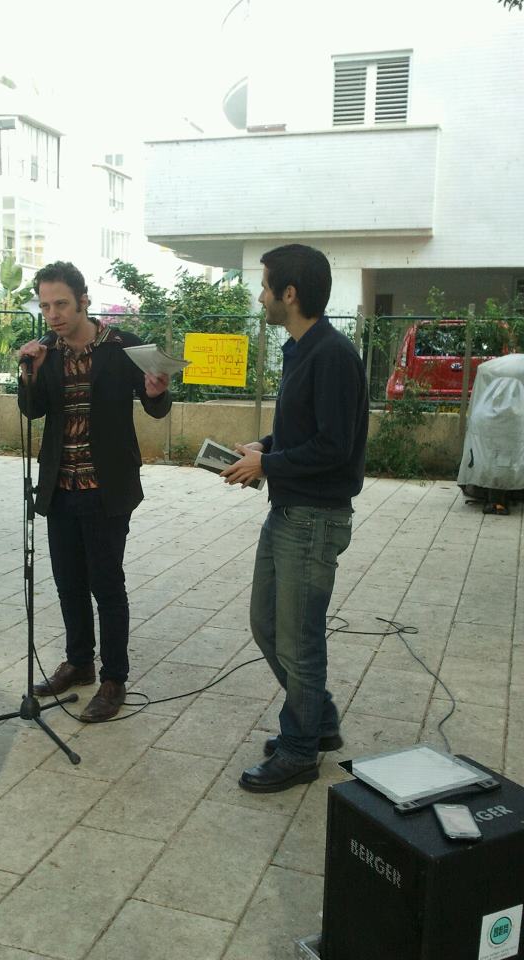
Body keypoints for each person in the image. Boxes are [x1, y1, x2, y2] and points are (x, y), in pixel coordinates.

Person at [222, 244, 368, 792]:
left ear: (290, 293)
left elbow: (334, 445)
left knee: (299, 642)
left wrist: (269, 464)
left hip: (314, 519)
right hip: (288, 509)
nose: (260, 296)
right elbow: (303, 429)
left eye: (265, 286)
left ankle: (301, 750)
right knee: (267, 626)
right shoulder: (300, 348)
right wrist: (264, 447)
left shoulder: (331, 355)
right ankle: (319, 720)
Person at [18, 261, 171, 722]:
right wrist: (29, 374)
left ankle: (113, 678)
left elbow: (156, 406)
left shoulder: (122, 347)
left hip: (107, 487)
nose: (53, 315)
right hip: (60, 486)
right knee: (68, 582)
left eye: (61, 304)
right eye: (45, 306)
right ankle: (79, 662)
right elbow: (33, 410)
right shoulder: (46, 352)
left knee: (106, 584)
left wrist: (156, 391)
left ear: (83, 300)